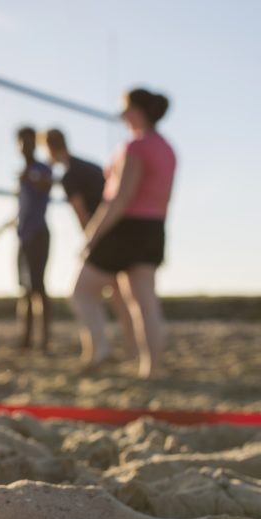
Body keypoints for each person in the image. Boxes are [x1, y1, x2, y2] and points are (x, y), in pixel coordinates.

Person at [72, 88, 176, 379]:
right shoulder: (167, 148)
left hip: (126, 226)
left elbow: (119, 198)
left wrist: (92, 236)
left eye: (124, 108)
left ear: (136, 110)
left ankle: (101, 348)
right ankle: (152, 368)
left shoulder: (136, 147)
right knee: (144, 301)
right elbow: (165, 198)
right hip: (154, 226)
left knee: (81, 291)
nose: (120, 115)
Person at [42, 127, 137, 360]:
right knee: (119, 293)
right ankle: (132, 349)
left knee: (79, 293)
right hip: (123, 233)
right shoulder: (91, 166)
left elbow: (83, 216)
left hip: (103, 236)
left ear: (50, 149)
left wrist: (88, 243)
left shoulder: (69, 175)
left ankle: (101, 349)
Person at [0, 127, 53, 352]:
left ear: (34, 144)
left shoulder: (40, 169)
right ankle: (26, 340)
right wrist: (0, 229)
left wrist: (32, 177)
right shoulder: (22, 176)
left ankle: (44, 340)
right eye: (22, 142)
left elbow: (46, 183)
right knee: (25, 290)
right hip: (23, 237)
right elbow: (20, 211)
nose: (25, 146)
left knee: (38, 287)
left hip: (38, 234)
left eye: (29, 142)